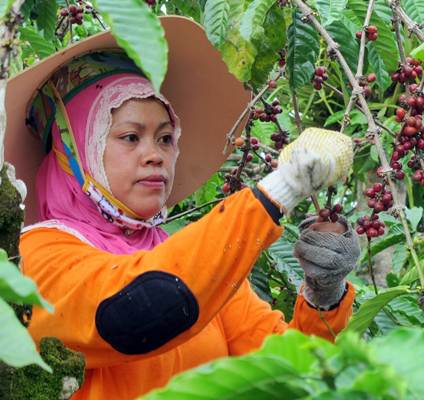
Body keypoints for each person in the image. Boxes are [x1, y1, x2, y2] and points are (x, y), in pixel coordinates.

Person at [6, 17, 360, 400]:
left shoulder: (196, 265)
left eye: (164, 138)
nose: (155, 155)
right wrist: (279, 190)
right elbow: (138, 310)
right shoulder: (32, 259)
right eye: (130, 137)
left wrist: (323, 296)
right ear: (73, 152)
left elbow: (286, 376)